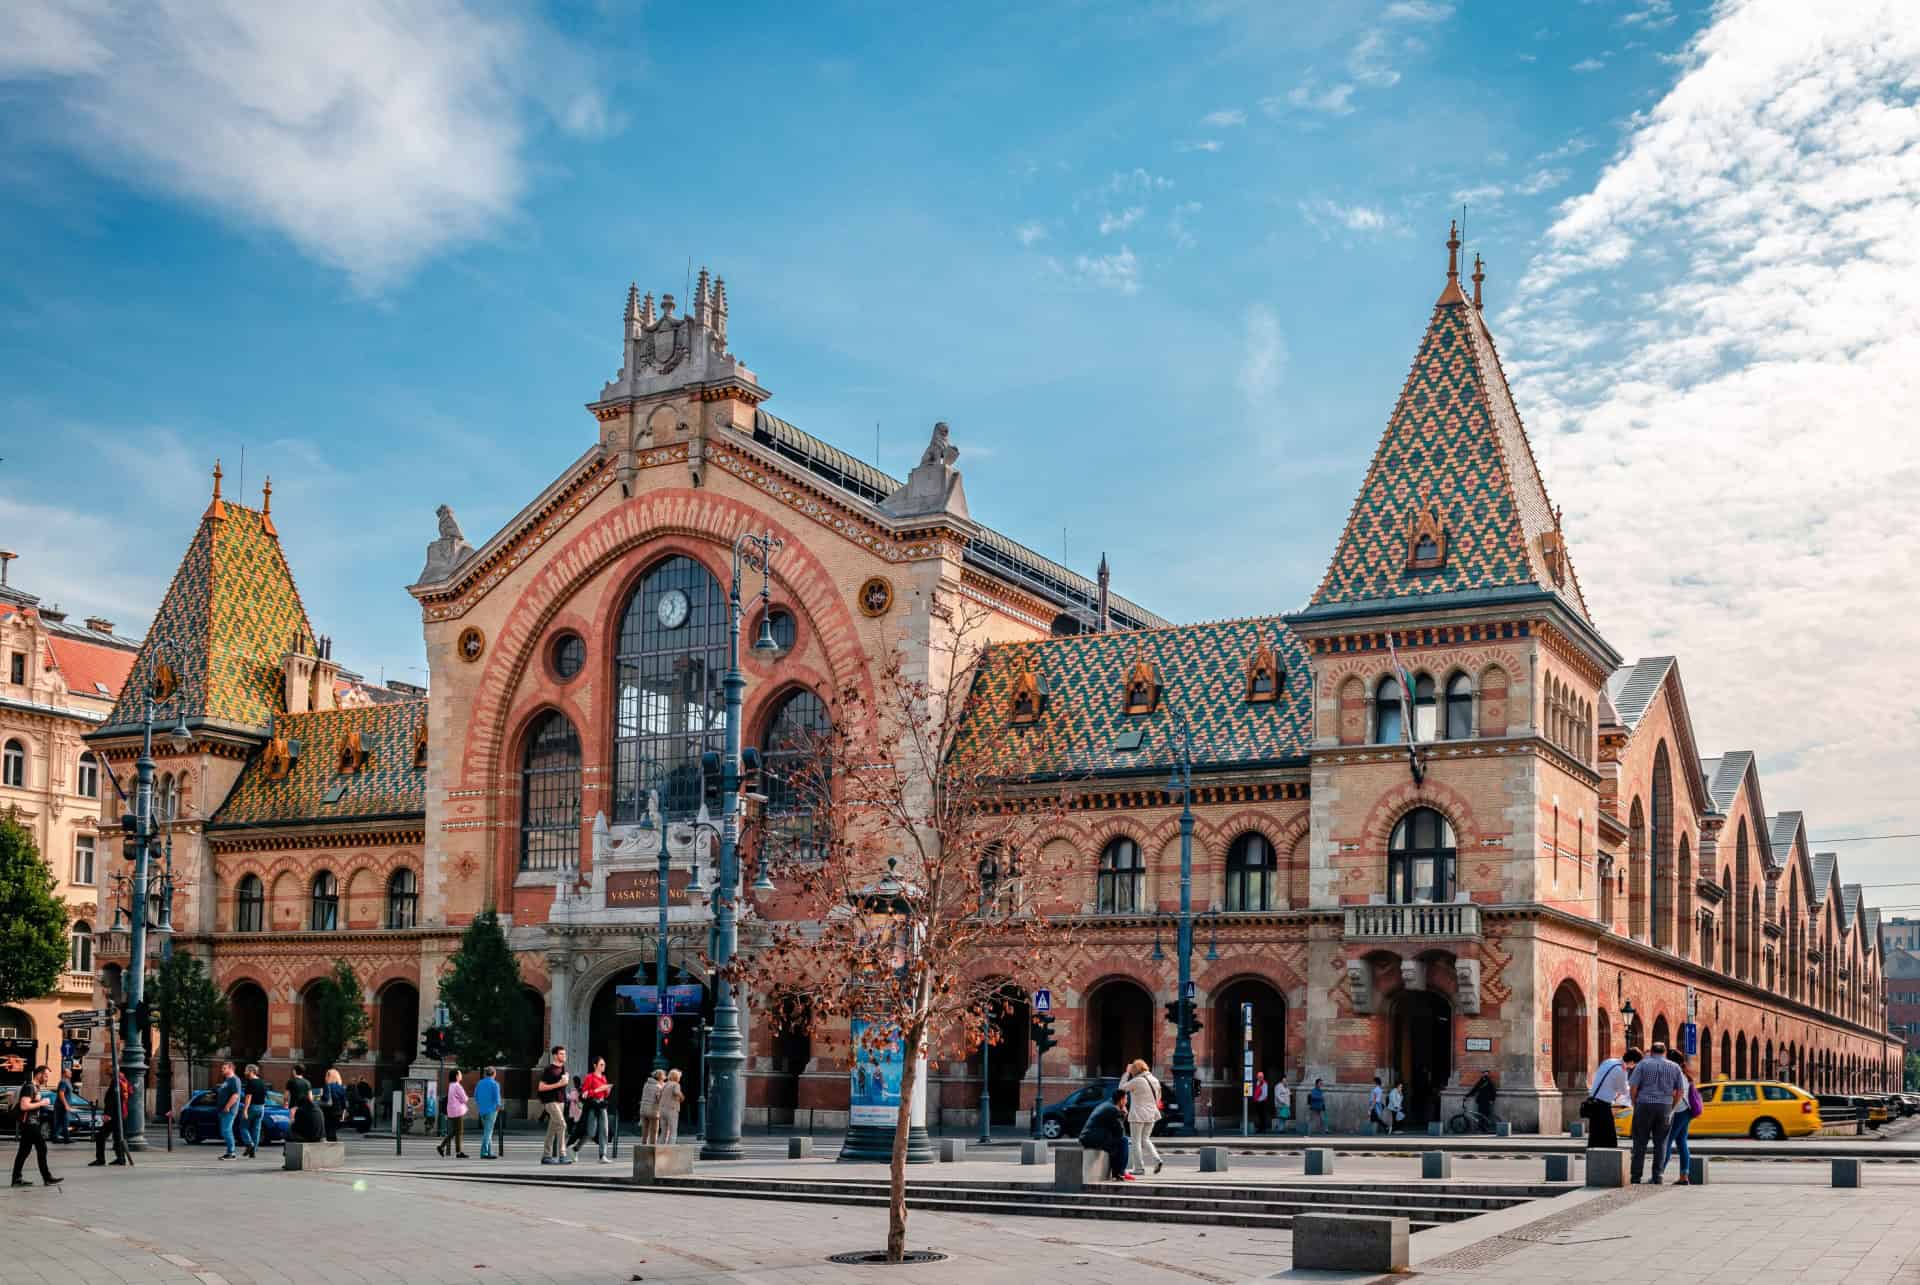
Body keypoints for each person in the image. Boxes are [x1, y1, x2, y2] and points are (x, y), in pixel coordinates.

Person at [1627, 1042, 1685, 1184]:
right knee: (1661, 1143)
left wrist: (1635, 1103)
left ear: (1652, 1051)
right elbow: (1680, 1091)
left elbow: (1633, 1087)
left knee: (1640, 1142)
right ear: (1665, 1052)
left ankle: (1636, 1176)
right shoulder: (1675, 1067)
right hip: (1664, 1106)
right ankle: (1658, 1176)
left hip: (1644, 1105)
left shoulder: (1643, 1065)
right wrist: (1672, 1107)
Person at [10, 1066, 62, 1188]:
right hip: (30, 1124)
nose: (47, 1078)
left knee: (24, 1152)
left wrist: (38, 1101)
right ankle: (47, 1178)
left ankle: (16, 1179)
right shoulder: (29, 1087)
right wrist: (42, 1103)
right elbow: (24, 1106)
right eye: (46, 1076)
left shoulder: (34, 1087)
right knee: (42, 1148)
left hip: (30, 1123)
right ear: (39, 1074)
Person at [1582, 1048, 1637, 1148]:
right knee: (1610, 1137)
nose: (1633, 1067)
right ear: (1632, 1062)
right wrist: (1631, 1087)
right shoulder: (1621, 1070)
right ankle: (1609, 1155)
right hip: (1603, 1105)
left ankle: (1593, 1154)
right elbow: (1623, 1091)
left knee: (1594, 1135)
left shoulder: (1608, 1061)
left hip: (1592, 1101)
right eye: (1634, 1065)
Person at [1117, 1059, 1164, 1176]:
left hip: (1138, 1114)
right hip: (1152, 1113)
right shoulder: (1154, 1080)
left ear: (1135, 1070)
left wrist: (1126, 1073)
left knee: (1136, 1141)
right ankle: (1157, 1159)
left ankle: (1139, 1168)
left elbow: (1121, 1090)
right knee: (1145, 1139)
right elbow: (1158, 1098)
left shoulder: (1137, 1081)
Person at [1078, 1088, 1132, 1182]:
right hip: (1093, 1139)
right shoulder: (1113, 1109)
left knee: (1117, 1143)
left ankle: (1117, 1173)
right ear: (1121, 1100)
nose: (1127, 1102)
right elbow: (1120, 1132)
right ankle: (1120, 1173)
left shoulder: (1107, 1105)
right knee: (1124, 1141)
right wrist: (1124, 1115)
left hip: (1089, 1137)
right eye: (1126, 1099)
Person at [1664, 1049, 1701, 1186]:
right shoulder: (1683, 1073)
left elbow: (1676, 1094)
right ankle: (1684, 1176)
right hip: (1686, 1111)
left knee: (1666, 1142)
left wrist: (1670, 1109)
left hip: (1679, 1111)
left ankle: (1659, 1173)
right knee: (1681, 1142)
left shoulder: (1677, 1074)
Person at [89, 1068, 131, 1167]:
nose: (108, 1076)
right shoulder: (124, 1081)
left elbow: (112, 1100)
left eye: (108, 1074)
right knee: (118, 1137)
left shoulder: (115, 1082)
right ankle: (121, 1159)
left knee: (100, 1136)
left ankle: (101, 1159)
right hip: (121, 1114)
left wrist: (108, 1114)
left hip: (114, 1115)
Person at [537, 1046, 570, 1165]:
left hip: (561, 1101)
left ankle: (546, 1156)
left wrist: (565, 1081)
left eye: (564, 1054)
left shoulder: (563, 1069)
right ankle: (562, 1155)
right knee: (562, 1125)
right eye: (561, 1054)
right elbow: (541, 1087)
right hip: (550, 1101)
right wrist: (559, 1084)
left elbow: (562, 1085)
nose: (564, 1056)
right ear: (555, 1055)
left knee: (552, 1130)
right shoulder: (549, 1069)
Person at [575, 1057, 612, 1161]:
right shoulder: (589, 1077)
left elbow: (605, 1094)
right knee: (591, 1132)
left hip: (602, 1105)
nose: (603, 1066)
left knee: (604, 1130)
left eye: (604, 1065)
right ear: (595, 1066)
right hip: (592, 1105)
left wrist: (607, 1090)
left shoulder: (603, 1078)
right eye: (601, 1065)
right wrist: (597, 1090)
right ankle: (576, 1148)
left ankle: (602, 1155)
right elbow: (585, 1093)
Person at [214, 1061, 245, 1159]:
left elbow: (236, 1095)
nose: (222, 1070)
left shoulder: (235, 1080)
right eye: (222, 1068)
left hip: (229, 1110)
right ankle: (229, 1152)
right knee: (225, 1131)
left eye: (224, 1068)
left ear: (231, 1068)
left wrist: (227, 1106)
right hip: (222, 1110)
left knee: (226, 1130)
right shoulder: (227, 1080)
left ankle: (231, 1152)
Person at [438, 1068, 469, 1158]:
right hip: (457, 1111)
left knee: (454, 1132)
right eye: (460, 1074)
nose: (461, 1075)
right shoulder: (457, 1086)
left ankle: (441, 1146)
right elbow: (465, 1099)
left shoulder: (451, 1085)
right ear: (456, 1076)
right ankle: (458, 1152)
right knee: (459, 1131)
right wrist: (462, 1100)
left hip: (451, 1111)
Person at [286, 1065, 323, 1142]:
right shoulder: (307, 1082)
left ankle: (292, 1142)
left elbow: (286, 1096)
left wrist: (285, 1104)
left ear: (294, 1071)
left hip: (293, 1107)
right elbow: (310, 1097)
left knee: (292, 1125)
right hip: (305, 1108)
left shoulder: (291, 1082)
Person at [474, 1066, 502, 1159]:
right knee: (488, 1131)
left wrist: (480, 1105)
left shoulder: (480, 1083)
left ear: (486, 1073)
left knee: (487, 1131)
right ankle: (484, 1152)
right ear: (494, 1074)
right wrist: (499, 1106)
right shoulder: (495, 1084)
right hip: (492, 1110)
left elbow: (475, 1096)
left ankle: (489, 1152)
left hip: (482, 1110)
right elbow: (497, 1097)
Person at [241, 1063, 268, 1158]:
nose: (245, 1072)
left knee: (243, 1127)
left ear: (251, 1071)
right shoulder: (262, 1082)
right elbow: (265, 1096)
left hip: (252, 1107)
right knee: (256, 1129)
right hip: (261, 1108)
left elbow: (248, 1097)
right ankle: (253, 1151)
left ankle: (250, 1144)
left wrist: (245, 1110)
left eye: (246, 1070)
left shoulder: (251, 1082)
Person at [320, 1069, 348, 1143]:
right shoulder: (341, 1087)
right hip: (338, 1112)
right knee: (333, 1130)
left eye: (326, 1076)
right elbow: (344, 1103)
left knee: (328, 1129)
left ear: (329, 1077)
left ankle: (331, 1145)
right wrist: (343, 1113)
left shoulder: (327, 1086)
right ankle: (334, 1144)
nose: (325, 1078)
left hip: (329, 1111)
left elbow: (325, 1099)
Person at [639, 1069, 665, 1145]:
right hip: (653, 1111)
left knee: (645, 1131)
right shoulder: (658, 1087)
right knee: (654, 1132)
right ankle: (652, 1148)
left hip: (643, 1110)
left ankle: (643, 1147)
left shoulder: (646, 1084)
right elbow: (659, 1099)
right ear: (660, 1078)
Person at [660, 1069, 685, 1144]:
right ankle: (671, 1147)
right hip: (672, 1109)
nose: (680, 1078)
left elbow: (659, 1095)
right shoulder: (676, 1084)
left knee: (664, 1132)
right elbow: (676, 1092)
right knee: (673, 1131)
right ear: (677, 1077)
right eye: (679, 1077)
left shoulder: (665, 1084)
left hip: (662, 1109)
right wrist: (682, 1097)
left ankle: (661, 1148)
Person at [52, 1065, 75, 1143]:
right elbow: (61, 1094)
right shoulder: (63, 1082)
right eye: (69, 1072)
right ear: (64, 1073)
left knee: (61, 1122)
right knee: (64, 1121)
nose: (71, 1073)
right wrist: (66, 1105)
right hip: (61, 1106)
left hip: (63, 1105)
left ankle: (57, 1137)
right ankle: (66, 1138)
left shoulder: (68, 1082)